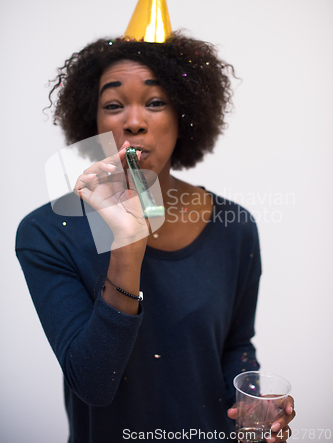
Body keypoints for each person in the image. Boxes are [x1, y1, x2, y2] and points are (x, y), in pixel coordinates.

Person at [16, 33, 295, 442]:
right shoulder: (47, 232)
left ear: (184, 115)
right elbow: (93, 384)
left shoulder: (235, 226)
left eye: (155, 102)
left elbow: (236, 345)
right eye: (113, 105)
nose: (133, 121)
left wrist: (253, 403)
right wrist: (127, 246)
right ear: (91, 122)